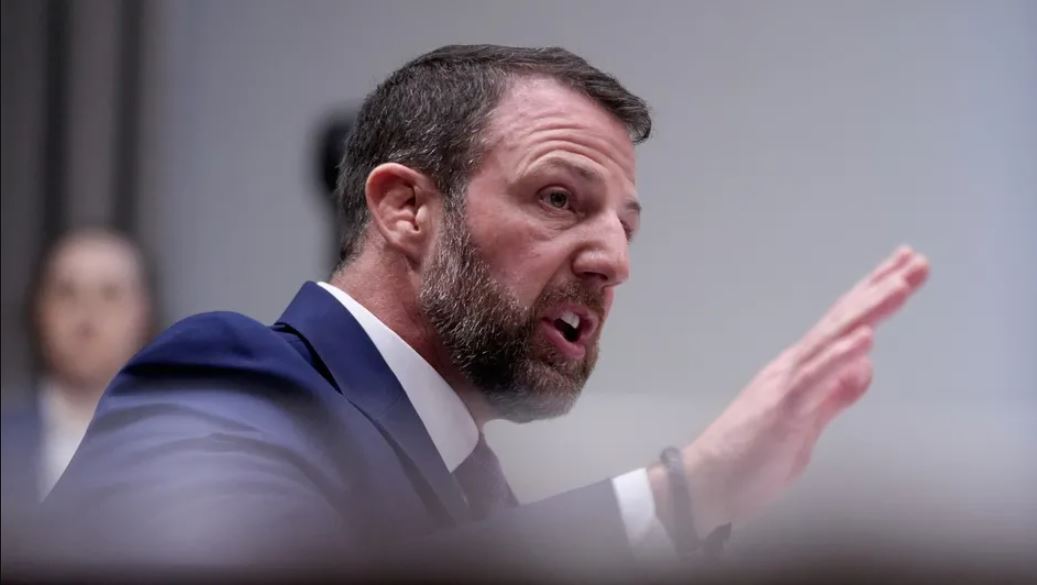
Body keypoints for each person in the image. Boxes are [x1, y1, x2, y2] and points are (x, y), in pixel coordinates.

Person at [36, 45, 929, 580]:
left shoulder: (480, 492)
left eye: (624, 226)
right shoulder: (225, 378)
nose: (613, 260)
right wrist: (683, 492)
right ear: (405, 208)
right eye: (558, 198)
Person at [1, 227, 154, 561]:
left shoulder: (184, 445)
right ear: (39, 310)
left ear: (143, 313)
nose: (87, 317)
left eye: (110, 294)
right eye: (67, 292)